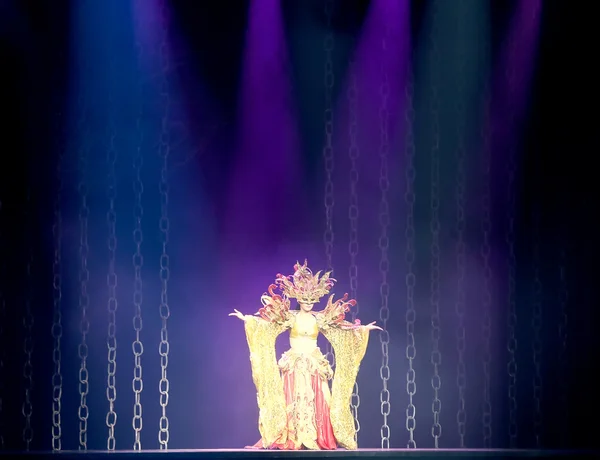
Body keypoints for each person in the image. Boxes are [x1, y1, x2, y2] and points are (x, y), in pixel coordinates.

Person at [229, 260, 381, 450]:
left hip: (314, 363)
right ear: (299, 299)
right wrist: (249, 320)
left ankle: (319, 437)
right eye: (305, 300)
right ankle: (290, 437)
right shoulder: (290, 317)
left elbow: (342, 329)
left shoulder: (320, 318)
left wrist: (362, 329)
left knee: (320, 397)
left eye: (312, 301)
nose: (308, 304)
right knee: (290, 397)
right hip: (294, 362)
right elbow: (268, 326)